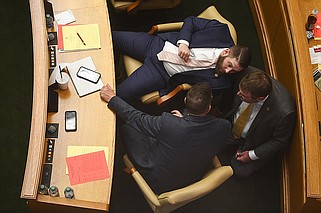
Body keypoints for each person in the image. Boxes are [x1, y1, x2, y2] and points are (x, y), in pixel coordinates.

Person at [100, 82, 231, 194]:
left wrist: (112, 98)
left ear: (185, 100)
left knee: (130, 127)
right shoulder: (224, 126)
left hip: (156, 179)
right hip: (191, 177)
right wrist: (184, 120)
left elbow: (136, 118)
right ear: (208, 108)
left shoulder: (168, 123)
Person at [113, 16, 252, 104]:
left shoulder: (223, 82)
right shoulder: (219, 31)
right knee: (112, 37)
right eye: (229, 65)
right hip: (158, 45)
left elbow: (203, 98)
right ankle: (115, 70)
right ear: (226, 52)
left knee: (120, 94)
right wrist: (184, 42)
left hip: (160, 72)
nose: (227, 71)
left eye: (234, 71)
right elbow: (191, 21)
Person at [225, 70, 296, 178]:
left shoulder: (284, 113)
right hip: (232, 124)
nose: (238, 94)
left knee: (240, 171)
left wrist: (251, 155)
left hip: (255, 140)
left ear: (259, 98)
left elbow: (279, 141)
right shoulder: (247, 75)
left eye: (243, 95)